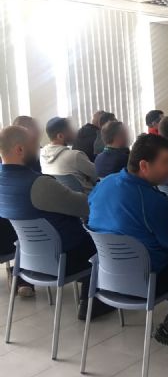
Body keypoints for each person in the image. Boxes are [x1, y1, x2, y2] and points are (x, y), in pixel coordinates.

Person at [88, 134, 168, 349]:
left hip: (106, 277)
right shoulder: (152, 202)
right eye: (166, 162)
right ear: (144, 165)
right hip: (145, 281)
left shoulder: (105, 183)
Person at [0, 126, 111, 317]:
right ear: (19, 149)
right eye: (34, 145)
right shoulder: (38, 184)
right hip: (64, 258)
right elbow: (86, 207)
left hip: (29, 258)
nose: (39, 149)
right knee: (104, 243)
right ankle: (91, 302)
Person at [40, 117, 97, 194]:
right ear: (60, 136)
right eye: (71, 131)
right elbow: (97, 174)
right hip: (87, 198)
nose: (75, 133)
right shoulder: (75, 156)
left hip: (61, 199)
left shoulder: (41, 155)